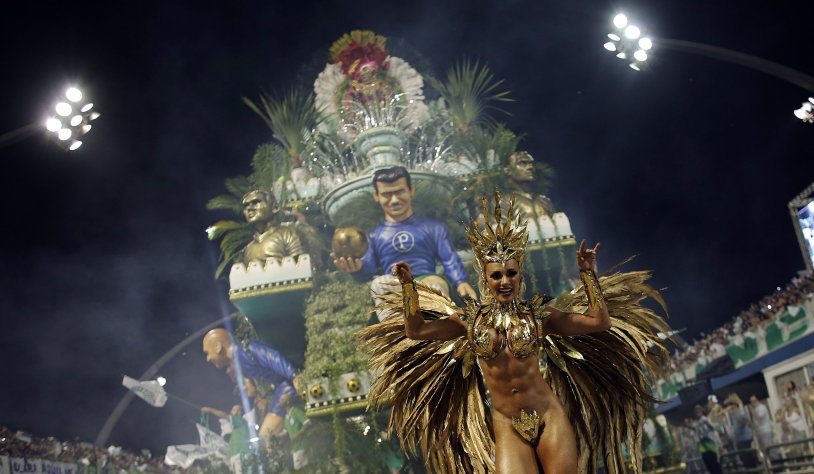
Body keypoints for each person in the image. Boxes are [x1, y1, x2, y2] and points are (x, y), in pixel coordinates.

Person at [360, 193, 671, 474]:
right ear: (486, 278)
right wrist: (408, 288)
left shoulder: (540, 315)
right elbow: (416, 330)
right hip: (507, 424)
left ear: (520, 275)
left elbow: (599, 322)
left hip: (548, 417)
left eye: (511, 273)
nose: (505, 281)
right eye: (497, 275)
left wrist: (589, 275)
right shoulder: (469, 320)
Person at [332, 166, 477, 307]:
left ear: (411, 191)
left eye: (400, 191)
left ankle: (436, 320)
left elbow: (449, 258)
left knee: (436, 286)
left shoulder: (434, 228)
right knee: (379, 284)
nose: (394, 200)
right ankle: (396, 323)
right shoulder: (374, 236)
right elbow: (368, 268)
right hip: (395, 285)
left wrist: (461, 281)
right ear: (376, 196)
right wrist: (357, 268)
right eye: (387, 194)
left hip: (427, 280)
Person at [202, 328, 299, 436]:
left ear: (217, 347)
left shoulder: (246, 350)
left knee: (266, 435)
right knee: (268, 436)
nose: (208, 358)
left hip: (288, 385)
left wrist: (294, 375)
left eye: (207, 353)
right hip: (282, 387)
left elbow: (272, 357)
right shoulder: (239, 360)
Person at [240, 189, 307, 265]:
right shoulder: (247, 250)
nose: (249, 208)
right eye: (246, 205)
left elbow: (302, 265)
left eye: (256, 202)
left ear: (275, 207)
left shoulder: (290, 234)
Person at [724, 393, 757, 468]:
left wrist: (733, 399)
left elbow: (745, 421)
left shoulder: (740, 413)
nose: (730, 410)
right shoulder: (734, 416)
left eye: (732, 408)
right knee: (744, 459)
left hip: (744, 439)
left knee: (748, 459)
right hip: (739, 440)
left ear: (735, 407)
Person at [749, 395, 778, 460]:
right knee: (764, 451)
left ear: (757, 400)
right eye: (751, 402)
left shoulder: (762, 407)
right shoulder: (756, 409)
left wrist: (752, 410)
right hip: (759, 432)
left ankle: (776, 461)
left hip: (765, 431)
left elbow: (759, 419)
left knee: (770, 449)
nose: (752, 403)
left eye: (754, 401)